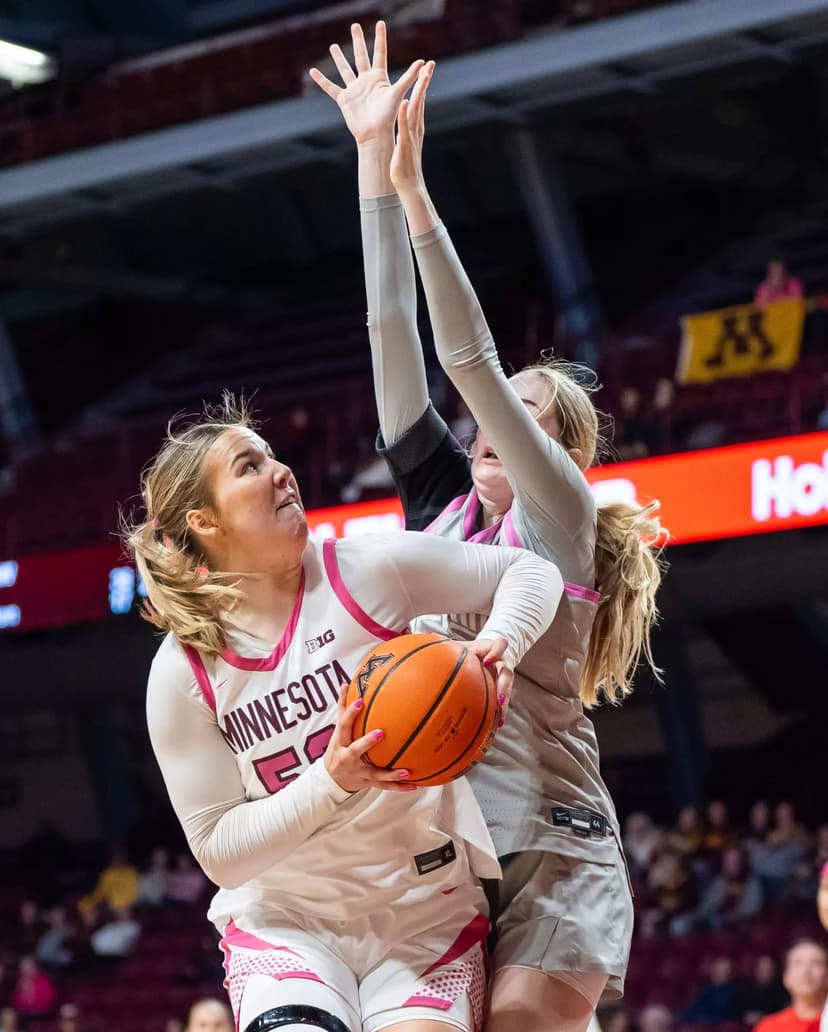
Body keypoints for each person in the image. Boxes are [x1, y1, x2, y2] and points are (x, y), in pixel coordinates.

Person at [310, 22, 664, 1032]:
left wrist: (419, 192)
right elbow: (393, 337)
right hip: (453, 846)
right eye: (489, 423)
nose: (489, 428)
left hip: (558, 844)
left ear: (563, 451)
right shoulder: (442, 513)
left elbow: (466, 358)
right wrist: (372, 166)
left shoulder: (563, 516)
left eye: (526, 418)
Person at [127, 397, 563, 1032]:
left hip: (425, 911)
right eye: (249, 466)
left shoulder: (366, 569)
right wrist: (333, 780)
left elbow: (529, 572)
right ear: (205, 521)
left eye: (273, 455)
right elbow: (221, 851)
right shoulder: (182, 670)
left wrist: (501, 644)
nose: (281, 471)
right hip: (286, 921)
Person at [754, 941, 828, 1032]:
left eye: (816, 963)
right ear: (786, 977)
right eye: (798, 963)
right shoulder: (768, 1027)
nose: (806, 971)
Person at [678, 956, 741, 1024]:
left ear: (729, 973)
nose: (716, 971)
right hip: (690, 1021)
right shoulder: (706, 989)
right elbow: (692, 1009)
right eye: (716, 967)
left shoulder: (731, 993)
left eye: (722, 969)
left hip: (707, 1025)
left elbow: (720, 1017)